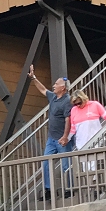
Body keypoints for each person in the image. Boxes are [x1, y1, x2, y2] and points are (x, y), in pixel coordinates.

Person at [28, 65, 73, 197]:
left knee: (66, 164)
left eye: (56, 83)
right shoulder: (53, 97)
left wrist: (65, 136)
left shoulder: (67, 101)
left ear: (63, 87)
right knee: (46, 163)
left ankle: (69, 189)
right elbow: (43, 90)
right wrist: (33, 78)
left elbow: (68, 120)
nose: (53, 85)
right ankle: (48, 190)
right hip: (51, 139)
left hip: (62, 139)